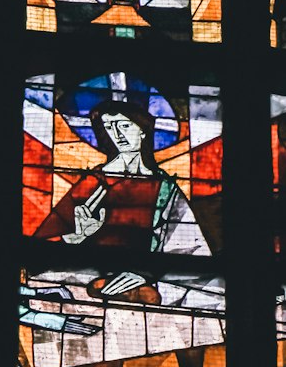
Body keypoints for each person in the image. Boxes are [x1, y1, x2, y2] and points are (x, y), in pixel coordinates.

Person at [39, 97, 210, 254]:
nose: (117, 135)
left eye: (124, 125)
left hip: (143, 280)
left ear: (142, 130)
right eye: (109, 127)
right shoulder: (94, 182)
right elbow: (41, 247)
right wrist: (76, 238)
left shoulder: (165, 188)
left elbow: (191, 246)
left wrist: (146, 273)